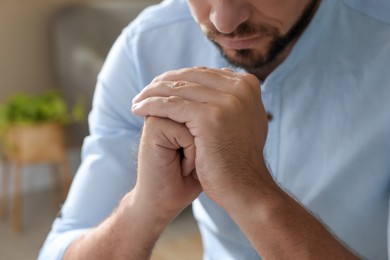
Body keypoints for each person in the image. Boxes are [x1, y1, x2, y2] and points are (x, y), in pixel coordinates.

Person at [39, 0, 390, 259]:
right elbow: (59, 250)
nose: (223, 22)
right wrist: (146, 206)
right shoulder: (143, 49)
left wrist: (251, 191)